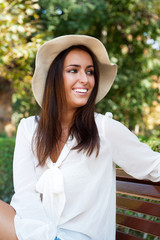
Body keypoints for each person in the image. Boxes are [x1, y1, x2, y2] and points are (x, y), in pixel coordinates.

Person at [0, 35, 160, 240]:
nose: (85, 79)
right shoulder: (29, 128)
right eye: (73, 70)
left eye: (90, 72)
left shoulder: (104, 129)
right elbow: (25, 195)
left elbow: (155, 166)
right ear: (55, 77)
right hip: (37, 233)